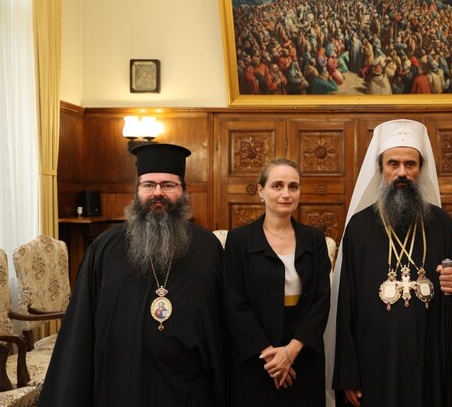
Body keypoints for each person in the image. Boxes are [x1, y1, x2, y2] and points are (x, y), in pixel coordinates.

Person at [38, 143, 226, 406]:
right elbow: (81, 329)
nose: (157, 193)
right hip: (120, 386)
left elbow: (222, 325)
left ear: (183, 192)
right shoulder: (103, 250)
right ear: (137, 191)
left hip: (187, 388)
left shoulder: (208, 249)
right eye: (148, 185)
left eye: (168, 185)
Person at [327, 119, 452, 407]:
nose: (402, 173)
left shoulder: (441, 223)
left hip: (431, 358)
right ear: (381, 170)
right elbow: (346, 305)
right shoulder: (359, 226)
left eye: (410, 164)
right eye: (393, 164)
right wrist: (348, 374)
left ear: (421, 169)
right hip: (374, 363)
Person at [223, 158, 331, 407]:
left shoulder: (314, 239)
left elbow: (321, 299)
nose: (286, 193)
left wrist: (291, 351)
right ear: (261, 190)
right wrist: (271, 356)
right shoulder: (239, 239)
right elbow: (234, 301)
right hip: (256, 358)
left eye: (293, 187)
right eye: (277, 186)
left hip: (304, 354)